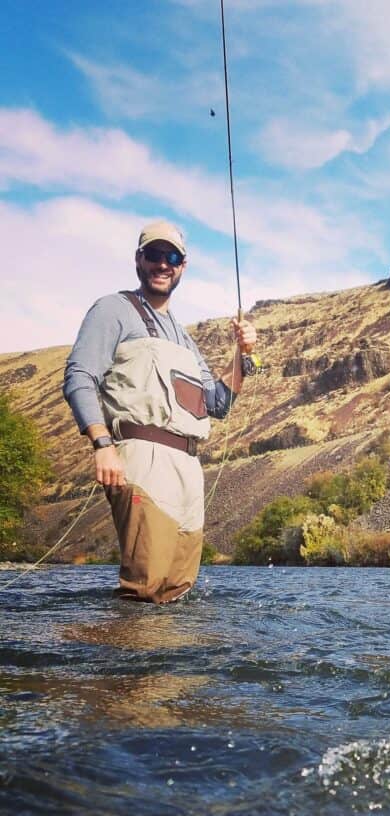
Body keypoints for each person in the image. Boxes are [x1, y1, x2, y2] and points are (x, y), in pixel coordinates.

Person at [63, 220, 257, 603]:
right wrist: (102, 444)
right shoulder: (113, 309)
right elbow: (78, 376)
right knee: (146, 585)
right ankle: (127, 662)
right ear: (139, 259)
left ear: (182, 266)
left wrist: (242, 354)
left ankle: (166, 664)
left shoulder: (184, 337)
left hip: (187, 468)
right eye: (154, 254)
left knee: (177, 590)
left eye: (172, 257)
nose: (163, 264)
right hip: (142, 459)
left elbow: (217, 402)